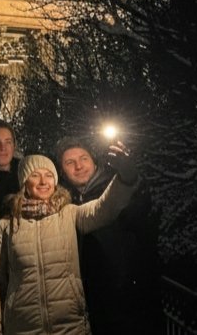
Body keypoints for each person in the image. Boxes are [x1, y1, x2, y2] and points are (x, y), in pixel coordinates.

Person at [0, 153, 138, 335]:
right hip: (21, 328)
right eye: (35, 175)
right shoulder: (6, 225)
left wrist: (125, 178)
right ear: (24, 183)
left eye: (49, 175)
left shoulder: (69, 214)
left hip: (70, 326)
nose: (43, 181)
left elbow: (103, 209)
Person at [57, 137, 161, 334]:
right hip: (92, 306)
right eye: (70, 162)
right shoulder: (63, 204)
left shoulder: (117, 187)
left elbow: (140, 208)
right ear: (62, 171)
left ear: (94, 162)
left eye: (84, 158)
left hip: (130, 300)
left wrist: (129, 177)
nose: (79, 166)